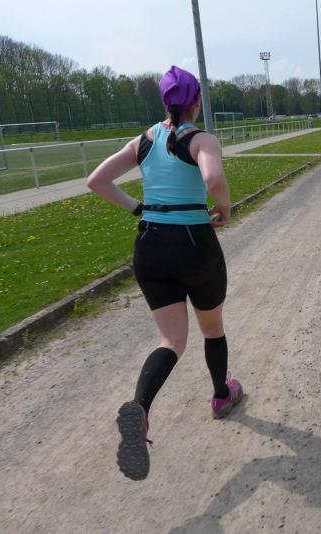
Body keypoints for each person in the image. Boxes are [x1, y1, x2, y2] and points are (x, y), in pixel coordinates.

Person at [86, 66, 244, 481]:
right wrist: (225, 209)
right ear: (196, 102)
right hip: (193, 243)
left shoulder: (143, 140)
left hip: (150, 245)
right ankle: (221, 396)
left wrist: (139, 208)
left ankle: (140, 407)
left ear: (163, 102)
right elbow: (213, 178)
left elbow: (96, 181)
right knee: (211, 328)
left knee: (171, 339)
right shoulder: (202, 138)